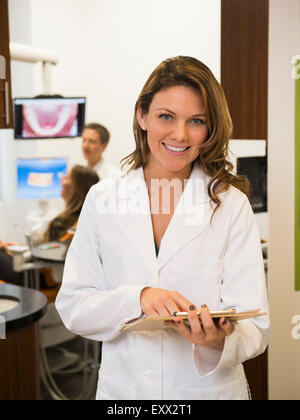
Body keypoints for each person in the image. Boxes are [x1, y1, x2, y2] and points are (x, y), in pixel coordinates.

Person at [55, 56, 269, 400]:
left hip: (206, 391)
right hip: (126, 395)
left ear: (210, 128)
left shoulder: (231, 206)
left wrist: (216, 340)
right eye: (166, 116)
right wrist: (138, 298)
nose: (180, 135)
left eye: (196, 121)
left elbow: (256, 328)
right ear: (142, 116)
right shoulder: (102, 199)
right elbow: (73, 306)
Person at [0, 165, 99, 286]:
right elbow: (48, 248)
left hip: (41, 276)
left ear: (76, 188)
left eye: (67, 178)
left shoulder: (63, 223)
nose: (62, 181)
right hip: (41, 270)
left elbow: (48, 253)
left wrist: (21, 251)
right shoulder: (77, 220)